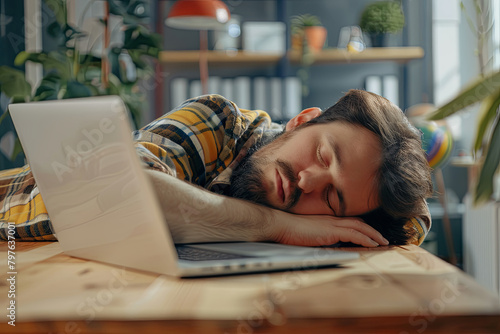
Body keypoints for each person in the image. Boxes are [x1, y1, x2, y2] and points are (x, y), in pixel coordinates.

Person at [0, 90, 433, 247]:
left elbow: (413, 224)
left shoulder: (343, 212)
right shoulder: (217, 121)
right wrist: (276, 226)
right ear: (301, 121)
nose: (306, 182)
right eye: (322, 155)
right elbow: (121, 191)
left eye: (333, 199)